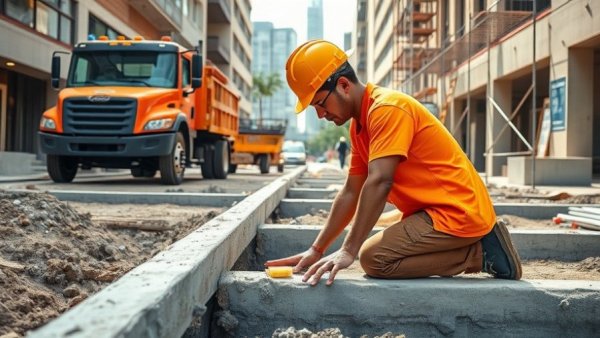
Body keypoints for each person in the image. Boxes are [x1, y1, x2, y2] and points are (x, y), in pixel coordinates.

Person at [265, 39, 522, 286]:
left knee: (374, 259)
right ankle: (476, 249)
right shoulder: (360, 126)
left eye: (319, 103)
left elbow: (379, 181)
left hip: (457, 210)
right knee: (373, 242)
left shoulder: (387, 109)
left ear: (343, 85)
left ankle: (481, 253)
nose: (320, 114)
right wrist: (316, 249)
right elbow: (351, 191)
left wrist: (348, 250)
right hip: (433, 209)